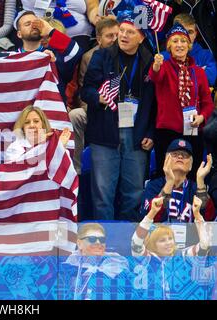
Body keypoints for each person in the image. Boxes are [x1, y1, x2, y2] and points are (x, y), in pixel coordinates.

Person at [81, 11, 156, 221]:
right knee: (102, 195)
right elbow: (85, 91)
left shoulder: (149, 61)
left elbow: (153, 103)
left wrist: (151, 132)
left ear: (141, 37)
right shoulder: (102, 55)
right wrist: (99, 97)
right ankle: (103, 243)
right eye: (121, 31)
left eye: (130, 32)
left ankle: (127, 243)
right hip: (105, 132)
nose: (123, 36)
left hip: (137, 134)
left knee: (134, 194)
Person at [151, 23, 214, 180]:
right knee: (165, 175)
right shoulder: (164, 67)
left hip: (192, 132)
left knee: (192, 176)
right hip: (167, 133)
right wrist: (156, 65)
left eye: (183, 41)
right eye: (175, 41)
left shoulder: (199, 72)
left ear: (189, 45)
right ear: (169, 47)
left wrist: (202, 117)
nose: (179, 45)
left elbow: (208, 103)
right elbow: (155, 76)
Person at [69, 17, 119, 174]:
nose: (115, 39)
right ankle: (76, 171)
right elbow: (84, 91)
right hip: (97, 108)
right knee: (76, 115)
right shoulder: (89, 57)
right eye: (109, 36)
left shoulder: (129, 52)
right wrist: (97, 103)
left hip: (124, 112)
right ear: (99, 39)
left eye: (117, 35)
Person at [14, 10, 83, 104]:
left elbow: (75, 51)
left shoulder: (55, 55)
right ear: (19, 34)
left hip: (52, 112)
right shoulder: (12, 58)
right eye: (27, 24)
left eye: (36, 23)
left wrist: (51, 31)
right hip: (22, 113)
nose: (33, 26)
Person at [140, 139, 211, 222]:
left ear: (191, 165)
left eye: (185, 155)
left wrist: (200, 180)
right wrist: (170, 182)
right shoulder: (153, 185)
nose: (180, 157)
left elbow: (209, 219)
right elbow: (148, 218)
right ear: (166, 160)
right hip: (160, 234)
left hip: (190, 234)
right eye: (175, 154)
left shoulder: (196, 187)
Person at [64, 222, 132, 300]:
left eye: (102, 240)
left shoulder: (116, 260)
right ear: (79, 244)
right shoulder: (73, 260)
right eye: (92, 239)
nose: (98, 242)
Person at [133, 196, 210, 257]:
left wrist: (197, 215)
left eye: (170, 238)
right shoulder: (148, 258)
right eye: (162, 240)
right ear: (153, 244)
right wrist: (152, 212)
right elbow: (136, 243)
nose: (168, 243)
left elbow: (204, 245)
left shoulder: (182, 256)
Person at [162, 14, 216, 87]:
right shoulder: (162, 57)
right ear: (173, 32)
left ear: (196, 34)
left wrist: (174, 75)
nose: (187, 36)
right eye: (183, 31)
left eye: (190, 32)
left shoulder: (207, 55)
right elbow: (161, 83)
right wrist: (199, 72)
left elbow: (210, 80)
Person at [4, 105, 71, 162]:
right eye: (27, 122)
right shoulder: (14, 147)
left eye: (36, 121)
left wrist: (59, 148)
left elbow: (65, 172)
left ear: (43, 124)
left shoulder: (55, 144)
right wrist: (38, 145)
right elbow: (15, 171)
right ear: (22, 128)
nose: (32, 125)